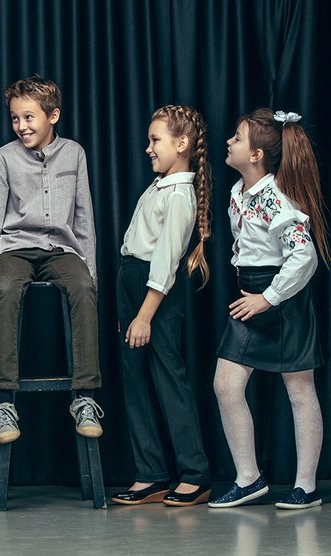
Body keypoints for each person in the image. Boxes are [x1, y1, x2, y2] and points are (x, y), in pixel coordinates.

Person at [208, 108, 329, 510]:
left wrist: (268, 298)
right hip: (252, 296)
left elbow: (304, 256)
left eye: (237, 138)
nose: (229, 142)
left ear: (257, 154)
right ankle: (248, 478)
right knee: (225, 384)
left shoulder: (276, 199)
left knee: (299, 388)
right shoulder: (236, 192)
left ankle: (306, 486)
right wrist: (254, 295)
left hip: (282, 299)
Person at [0, 75, 103, 444]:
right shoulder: (2, 159)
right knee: (8, 290)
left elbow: (83, 217)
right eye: (15, 118)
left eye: (29, 117)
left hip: (60, 249)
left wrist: (90, 273)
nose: (21, 126)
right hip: (14, 248)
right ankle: (4, 403)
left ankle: (84, 397)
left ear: (53, 115)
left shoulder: (74, 153)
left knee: (80, 287)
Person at [111, 105, 212, 507]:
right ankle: (150, 473)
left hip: (156, 295)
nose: (147, 148)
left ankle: (195, 473)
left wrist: (143, 315)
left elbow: (167, 262)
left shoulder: (181, 194)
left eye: (155, 140)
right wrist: (129, 309)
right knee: (135, 383)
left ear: (181, 144)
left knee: (170, 380)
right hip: (133, 285)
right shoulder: (159, 185)